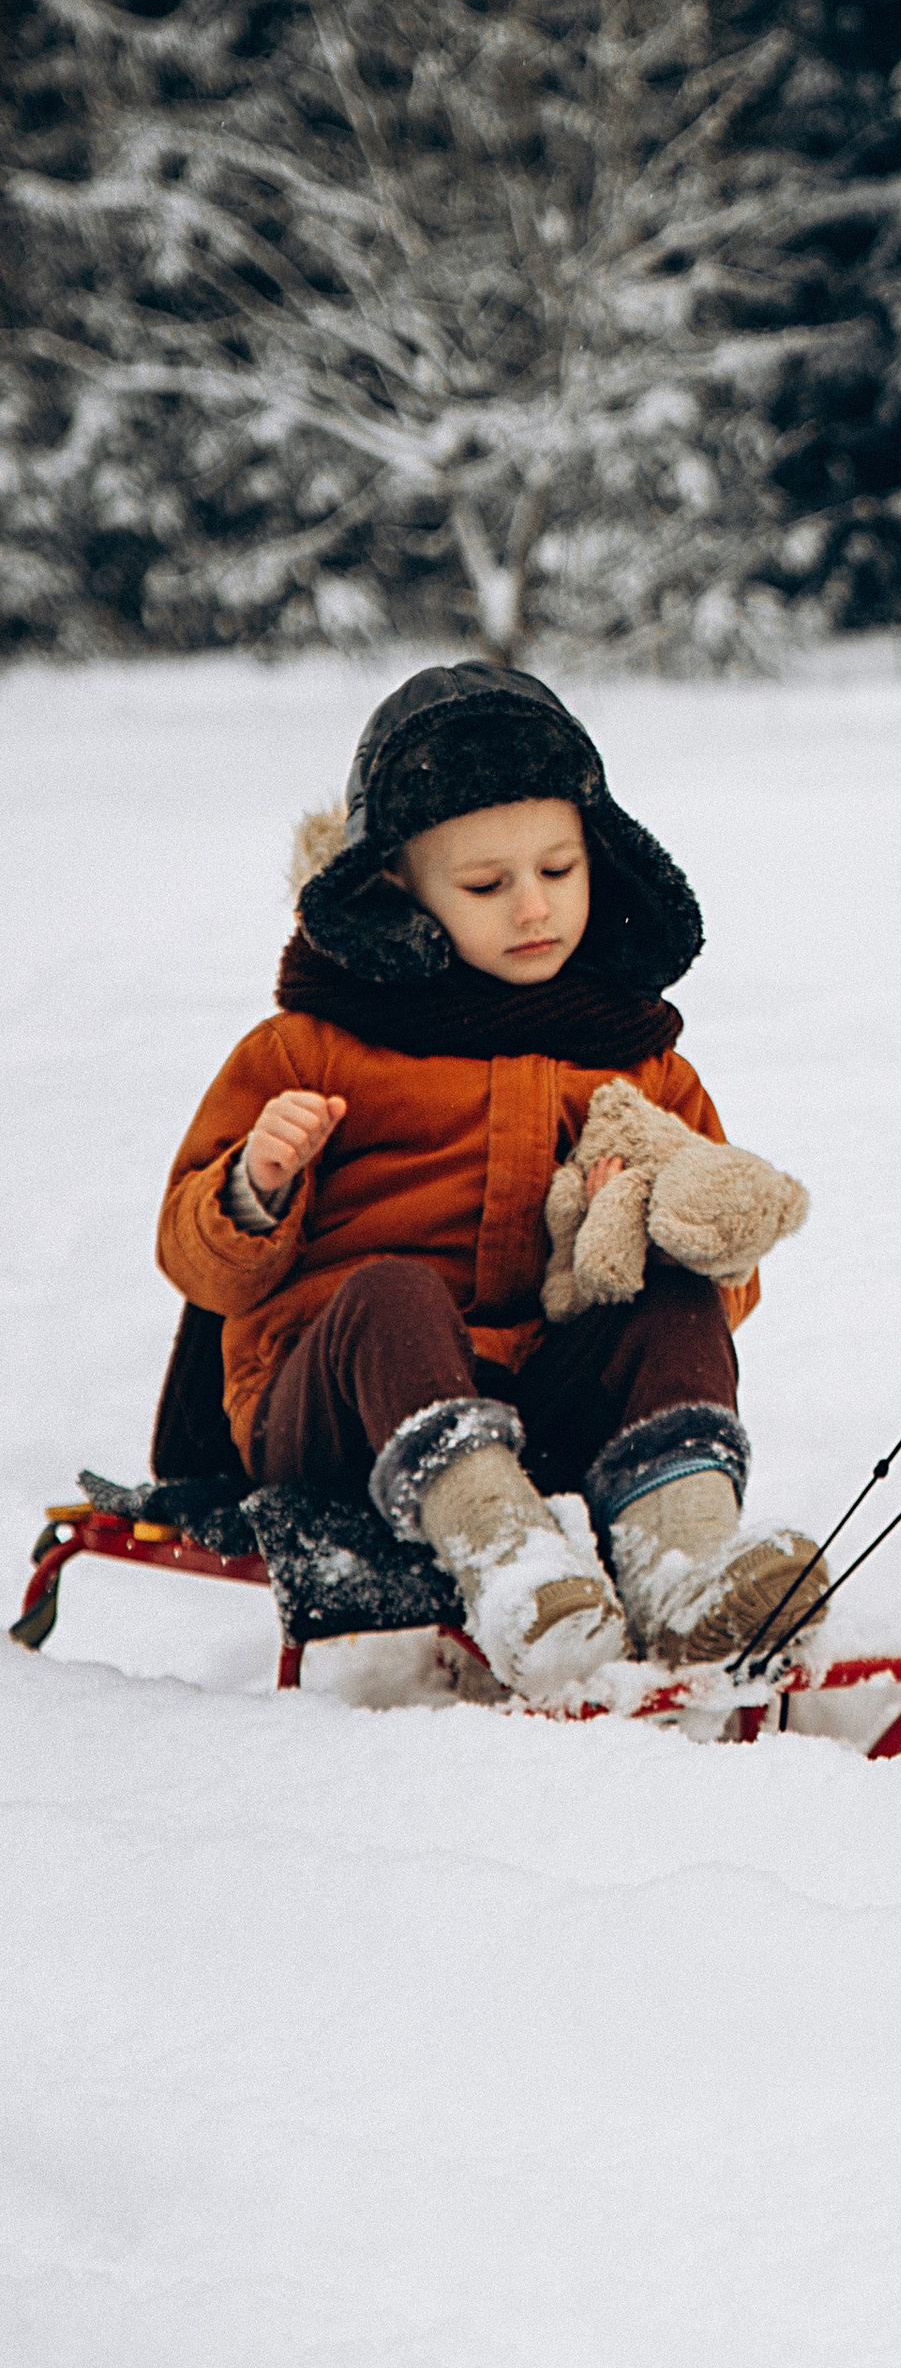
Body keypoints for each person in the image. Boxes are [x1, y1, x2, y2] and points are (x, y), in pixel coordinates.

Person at [158, 660, 821, 1700]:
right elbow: (197, 1260)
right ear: (396, 890)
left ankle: (686, 1565)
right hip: (336, 1415)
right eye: (484, 885)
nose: (532, 906)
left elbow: (729, 1284)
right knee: (389, 1292)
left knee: (677, 1296)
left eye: (558, 870)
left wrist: (641, 1230)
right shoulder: (314, 1046)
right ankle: (514, 1568)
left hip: (543, 1402)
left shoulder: (636, 1061)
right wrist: (256, 1184)